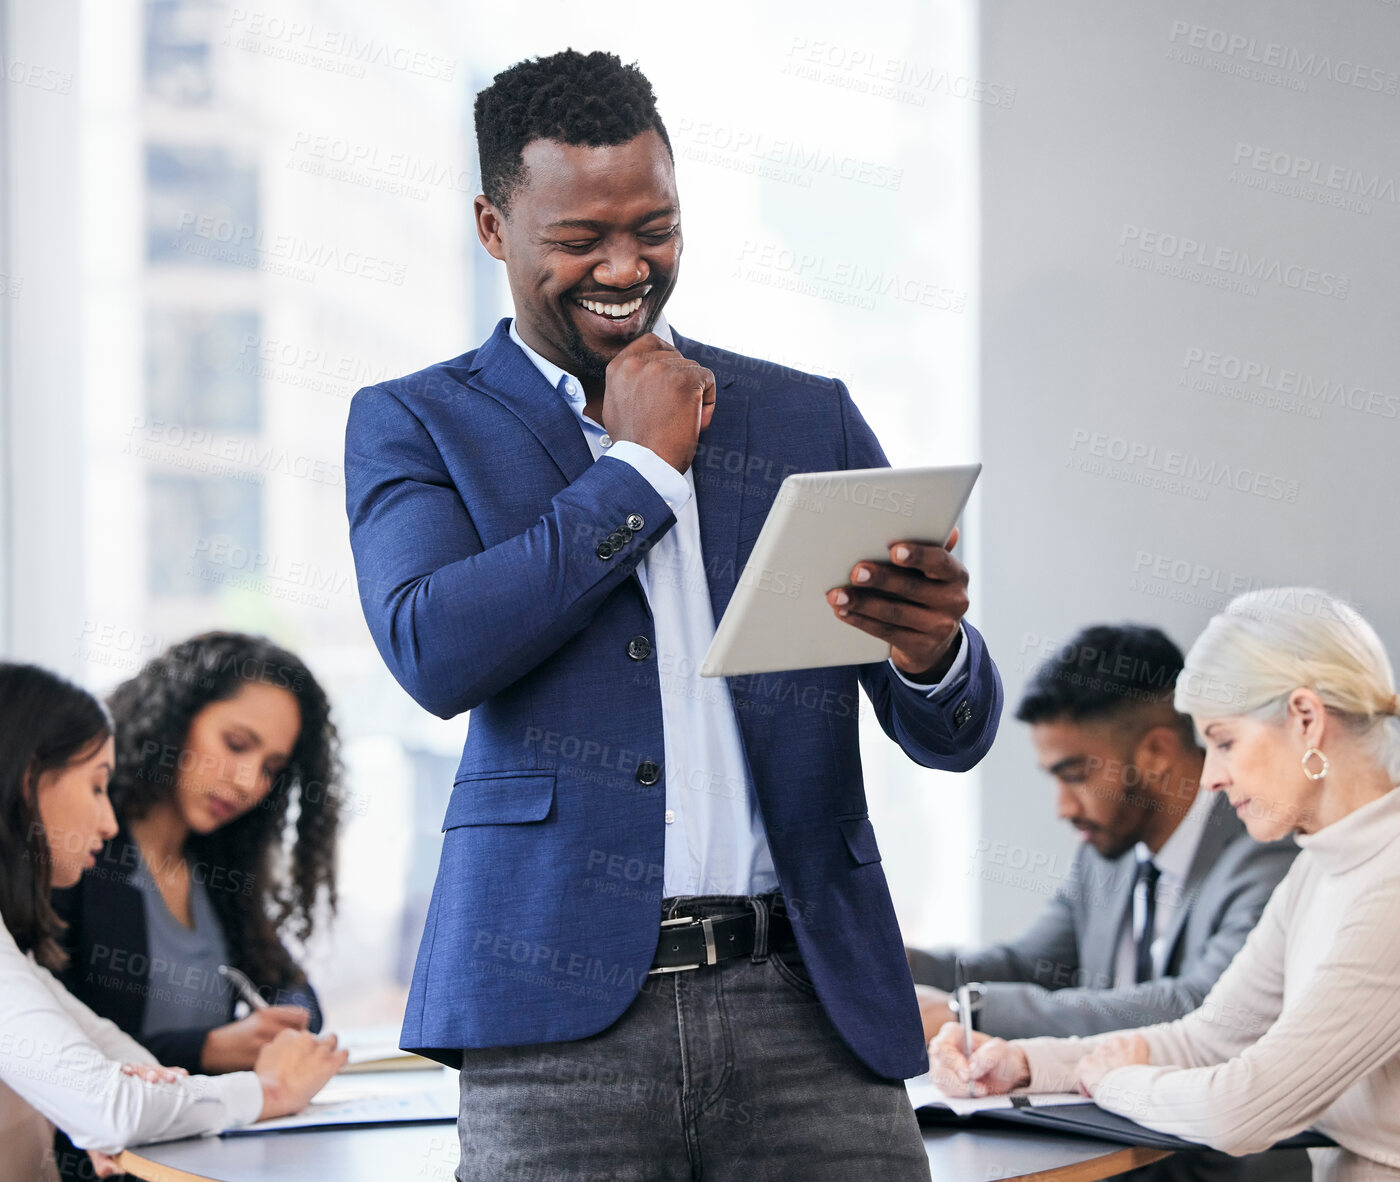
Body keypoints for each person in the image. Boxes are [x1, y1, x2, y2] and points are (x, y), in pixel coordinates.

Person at [344, 49, 1001, 1181]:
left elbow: (953, 734)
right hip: (550, 1023)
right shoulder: (415, 423)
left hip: (809, 1010)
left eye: (654, 227)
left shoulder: (804, 418)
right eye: (577, 239)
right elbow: (434, 648)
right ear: (493, 229)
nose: (623, 265)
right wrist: (640, 468)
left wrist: (931, 652)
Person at [931, 588, 1400, 1182]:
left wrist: (1114, 1080)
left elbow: (1241, 1110)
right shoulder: (1325, 868)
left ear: (1306, 720)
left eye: (1224, 741)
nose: (1209, 777)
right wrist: (1025, 1063)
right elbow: (1208, 1039)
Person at [0, 661, 346, 1182]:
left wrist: (143, 1101)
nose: (108, 819)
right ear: (28, 780)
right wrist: (269, 1090)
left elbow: (107, 1053)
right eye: (97, 787)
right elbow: (108, 1106)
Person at [910, 624, 1304, 1181]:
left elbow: (1201, 1008)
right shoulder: (1106, 852)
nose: (1063, 808)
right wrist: (889, 964)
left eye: (1076, 775)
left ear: (1157, 752)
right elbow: (1026, 965)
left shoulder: (1264, 855)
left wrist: (967, 1014)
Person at [53, 632, 342, 1074]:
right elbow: (57, 1051)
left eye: (271, 769)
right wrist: (204, 1051)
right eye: (236, 744)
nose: (249, 783)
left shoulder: (219, 866)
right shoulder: (79, 854)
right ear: (174, 719)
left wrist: (282, 1021)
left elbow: (293, 991)